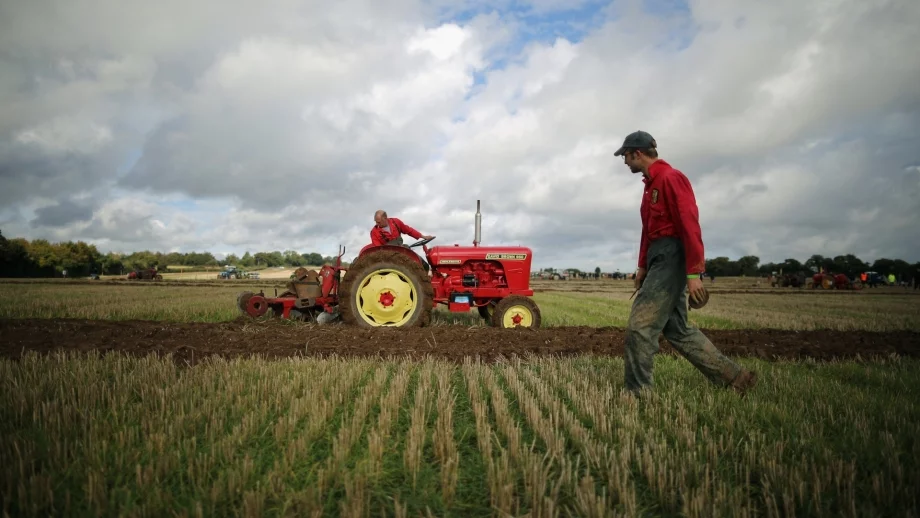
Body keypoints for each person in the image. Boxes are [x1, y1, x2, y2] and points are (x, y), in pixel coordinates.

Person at [614, 130, 757, 396]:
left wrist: (694, 273)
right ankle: (736, 378)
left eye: (625, 156)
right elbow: (647, 232)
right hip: (658, 256)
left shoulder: (671, 178)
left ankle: (638, 394)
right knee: (678, 330)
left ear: (637, 153)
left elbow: (689, 225)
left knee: (640, 327)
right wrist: (642, 267)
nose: (624, 162)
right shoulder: (649, 188)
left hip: (672, 256)